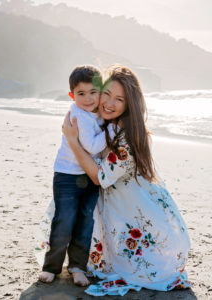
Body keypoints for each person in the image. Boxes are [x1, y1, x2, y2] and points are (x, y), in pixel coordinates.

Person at [61, 65, 191, 296]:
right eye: (107, 94)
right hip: (113, 202)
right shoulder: (101, 121)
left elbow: (100, 177)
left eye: (119, 99)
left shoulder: (128, 135)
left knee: (140, 263)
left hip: (133, 205)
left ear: (129, 103)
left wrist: (72, 142)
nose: (109, 103)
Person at [38, 65, 114, 286]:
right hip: (67, 176)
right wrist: (111, 131)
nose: (88, 99)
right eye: (81, 94)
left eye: (93, 92)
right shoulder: (77, 115)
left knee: (85, 221)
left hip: (90, 176)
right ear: (72, 95)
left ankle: (77, 267)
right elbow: (90, 146)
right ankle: (51, 267)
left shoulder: (98, 113)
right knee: (64, 221)